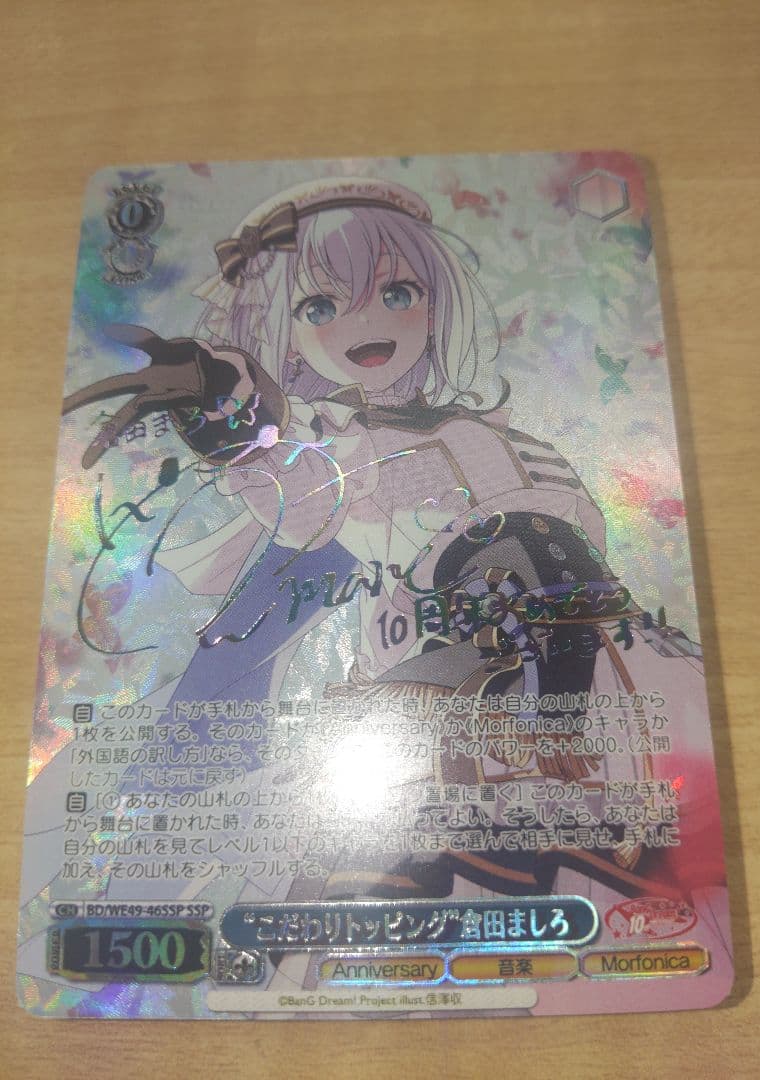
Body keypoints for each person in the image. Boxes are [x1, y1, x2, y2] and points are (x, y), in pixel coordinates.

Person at [62, 177, 719, 905]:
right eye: (319, 308)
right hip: (451, 673)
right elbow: (297, 496)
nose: (365, 321)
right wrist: (226, 410)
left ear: (438, 302)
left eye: (398, 292)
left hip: (577, 657)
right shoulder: (341, 453)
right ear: (288, 334)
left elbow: (550, 552)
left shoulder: (485, 437)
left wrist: (558, 692)